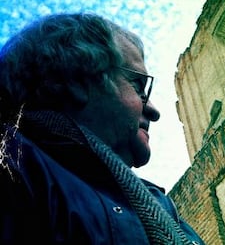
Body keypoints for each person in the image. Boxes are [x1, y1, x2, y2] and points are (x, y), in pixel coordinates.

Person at [0, 13, 205, 245]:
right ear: (76, 81)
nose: (154, 111)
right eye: (138, 86)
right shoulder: (14, 170)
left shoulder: (162, 207)